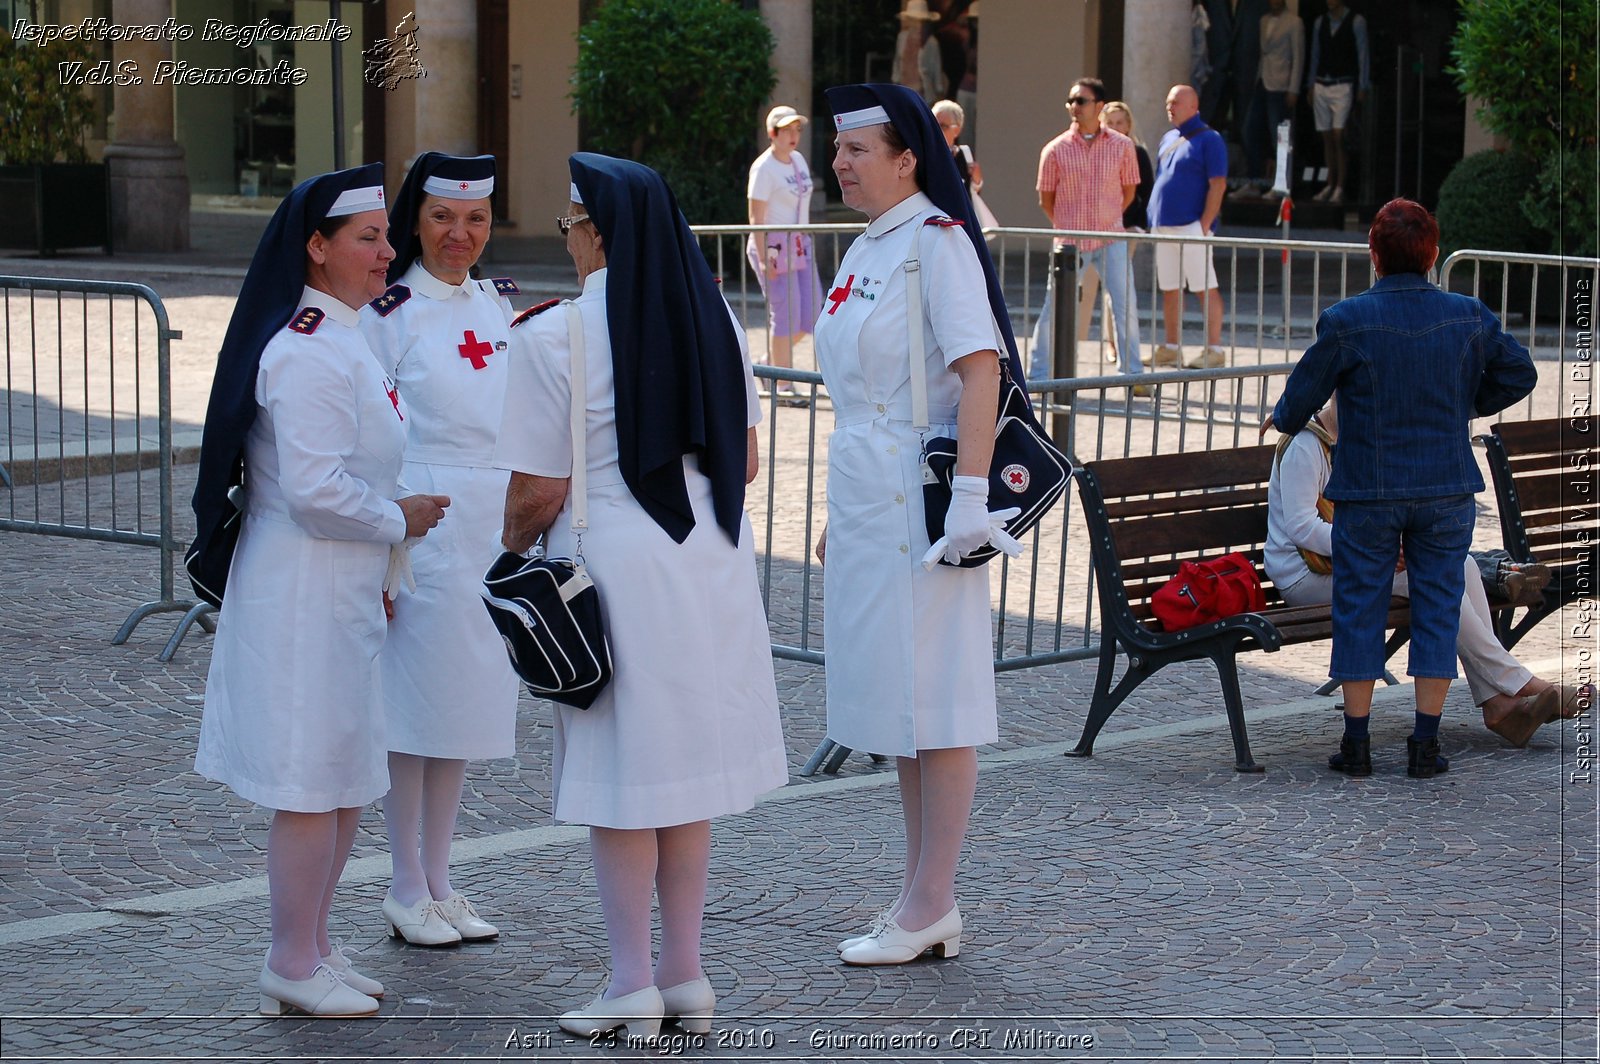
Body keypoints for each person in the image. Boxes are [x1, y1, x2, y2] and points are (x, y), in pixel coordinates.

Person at [497, 155, 787, 1041]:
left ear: (596, 230)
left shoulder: (553, 335)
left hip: (615, 565)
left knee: (623, 783)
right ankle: (685, 975)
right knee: (685, 779)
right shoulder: (715, 321)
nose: (569, 240)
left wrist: (509, 547)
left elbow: (536, 491)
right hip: (709, 560)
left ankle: (632, 984)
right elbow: (748, 453)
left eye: (570, 225)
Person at [191, 164, 451, 1017]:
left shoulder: (349, 334)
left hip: (340, 583)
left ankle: (314, 945)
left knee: (344, 777)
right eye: (368, 238)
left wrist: (380, 555)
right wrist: (398, 519)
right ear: (316, 247)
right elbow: (313, 489)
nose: (387, 252)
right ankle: (288, 962)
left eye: (385, 236)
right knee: (311, 782)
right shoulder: (303, 348)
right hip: (300, 588)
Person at [815, 82, 1024, 967]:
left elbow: (982, 371)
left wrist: (971, 500)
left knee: (935, 702)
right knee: (899, 705)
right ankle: (918, 893)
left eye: (857, 148)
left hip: (925, 500)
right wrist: (841, 512)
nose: (840, 162)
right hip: (870, 493)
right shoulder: (867, 246)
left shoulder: (937, 244)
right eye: (838, 149)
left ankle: (932, 898)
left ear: (907, 157)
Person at [1262, 199, 1538, 778]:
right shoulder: (1468, 314)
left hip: (1368, 492)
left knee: (1360, 608)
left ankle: (1357, 746)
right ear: (1434, 254)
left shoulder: (1347, 319)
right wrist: (1464, 404)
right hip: (1444, 489)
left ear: (1374, 256)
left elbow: (1301, 398)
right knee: (1438, 608)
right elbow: (1521, 372)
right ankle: (1425, 746)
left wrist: (1285, 416)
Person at [358, 153, 519, 948]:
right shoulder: (388, 312)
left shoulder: (495, 304)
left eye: (477, 219)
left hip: (490, 524)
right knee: (412, 710)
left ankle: (443, 879)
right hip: (421, 522)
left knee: (461, 708)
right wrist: (386, 529)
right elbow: (369, 425)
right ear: (414, 222)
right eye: (443, 218)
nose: (461, 235)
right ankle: (403, 883)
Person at [1266, 395, 1590, 749]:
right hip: (1305, 577)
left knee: (1460, 565)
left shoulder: (1364, 442)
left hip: (1355, 564)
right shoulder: (1306, 444)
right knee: (1427, 580)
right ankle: (1518, 684)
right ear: (1337, 394)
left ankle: (1498, 703)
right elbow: (1301, 528)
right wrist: (1377, 548)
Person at [1029, 77, 1144, 387]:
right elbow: (1046, 199)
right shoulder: (1054, 149)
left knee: (1125, 306)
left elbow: (1129, 191)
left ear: (1099, 106)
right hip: (1069, 244)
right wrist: (1070, 226)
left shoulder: (1123, 146)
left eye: (1081, 101)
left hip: (1111, 238)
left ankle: (1132, 375)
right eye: (1071, 101)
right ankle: (1038, 375)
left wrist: (1105, 219)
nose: (1073, 107)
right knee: (1052, 308)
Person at [746, 105, 823, 406]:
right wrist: (765, 255)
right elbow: (756, 216)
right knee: (786, 315)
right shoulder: (763, 167)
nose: (794, 135)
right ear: (772, 133)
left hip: (800, 243)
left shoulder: (799, 160)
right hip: (775, 245)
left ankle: (769, 365)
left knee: (811, 315)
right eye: (787, 129)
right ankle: (784, 383)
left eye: (797, 129)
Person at [1148, 83, 1228, 370]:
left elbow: (1218, 184)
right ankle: (1171, 346)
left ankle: (1215, 348)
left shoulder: (1210, 139)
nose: (1170, 107)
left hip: (1191, 226)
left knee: (1204, 286)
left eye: (1176, 102)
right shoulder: (1168, 137)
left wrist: (1204, 223)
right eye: (1168, 102)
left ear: (1194, 106)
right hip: (1165, 226)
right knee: (1170, 287)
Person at [1099, 100, 1155, 370]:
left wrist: (1141, 224)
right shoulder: (1097, 149)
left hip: (1126, 226)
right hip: (1092, 227)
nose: (1115, 127)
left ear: (1129, 124)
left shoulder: (1137, 151)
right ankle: (1108, 342)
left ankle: (1120, 350)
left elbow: (1146, 191)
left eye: (1120, 122)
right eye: (1110, 122)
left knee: (1118, 291)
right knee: (1088, 291)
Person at [1306, 0, 1369, 205]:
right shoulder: (1319, 23)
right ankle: (1330, 183)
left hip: (1343, 84)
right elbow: (1315, 54)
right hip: (1322, 83)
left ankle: (1340, 186)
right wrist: (1311, 83)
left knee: (1338, 135)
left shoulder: (1355, 21)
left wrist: (1362, 85)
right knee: (1326, 137)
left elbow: (1362, 55)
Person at [1244, 0, 1303, 196]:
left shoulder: (1294, 22)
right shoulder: (1264, 20)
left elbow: (1298, 56)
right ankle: (1254, 181)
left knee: (1280, 137)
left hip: (1281, 85)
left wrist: (1293, 88)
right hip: (1262, 81)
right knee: (1250, 130)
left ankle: (1281, 184)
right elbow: (1264, 54)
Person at [892, 0, 944, 104]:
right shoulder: (902, 37)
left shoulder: (931, 42)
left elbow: (936, 67)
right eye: (913, 19)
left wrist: (939, 90)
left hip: (923, 92)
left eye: (920, 20)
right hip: (903, 90)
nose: (916, 23)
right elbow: (898, 61)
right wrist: (894, 82)